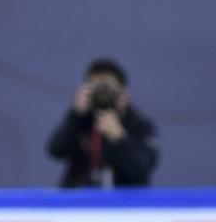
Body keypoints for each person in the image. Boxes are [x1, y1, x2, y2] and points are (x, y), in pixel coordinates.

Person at [47, 59, 159, 187]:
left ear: (123, 94)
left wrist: (119, 137)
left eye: (106, 88)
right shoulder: (81, 120)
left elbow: (141, 168)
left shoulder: (140, 125)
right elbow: (55, 151)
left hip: (125, 202)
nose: (101, 94)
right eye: (95, 88)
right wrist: (75, 115)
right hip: (82, 200)